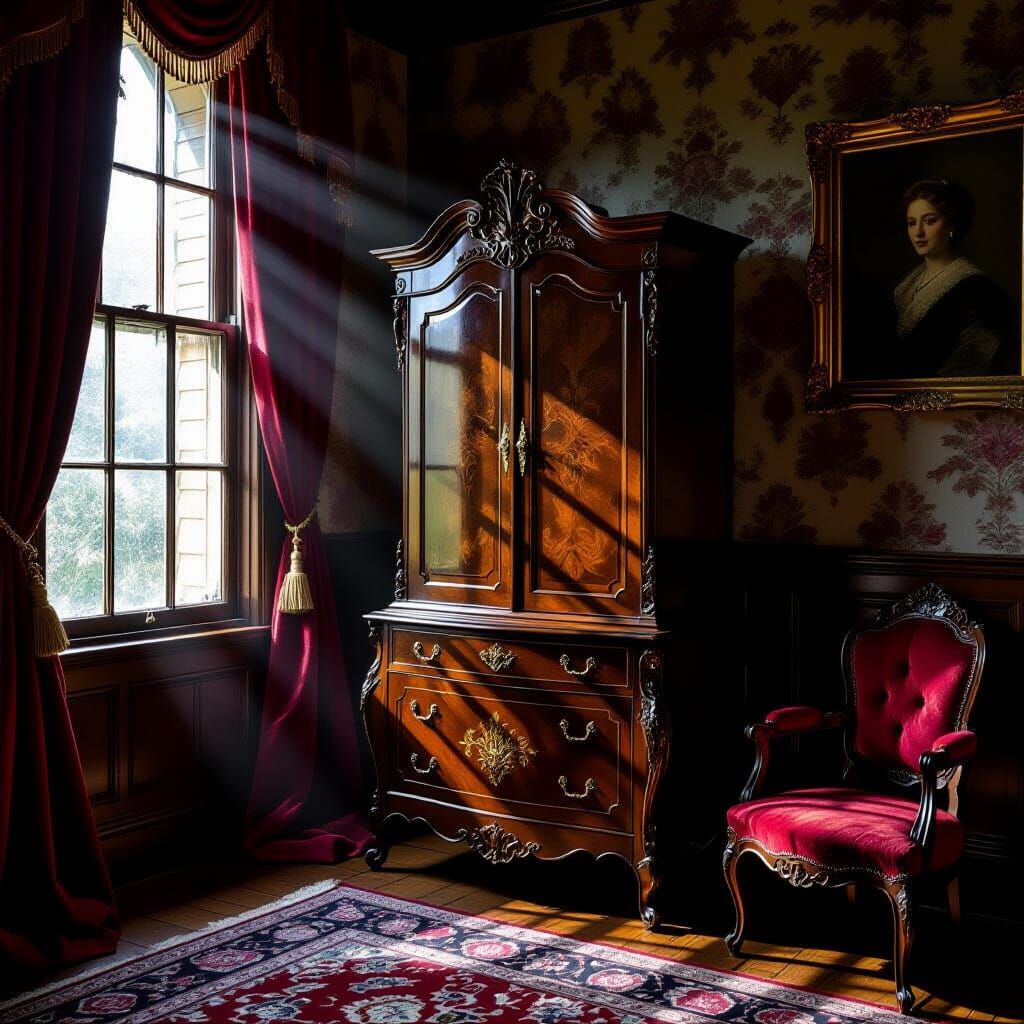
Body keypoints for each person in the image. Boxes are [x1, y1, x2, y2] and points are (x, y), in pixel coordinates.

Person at [890, 179, 1013, 378]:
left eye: (930, 221)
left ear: (950, 225)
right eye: (912, 223)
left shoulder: (976, 288)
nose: (918, 232)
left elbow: (977, 358)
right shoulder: (905, 286)